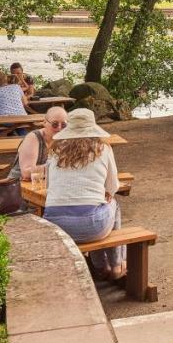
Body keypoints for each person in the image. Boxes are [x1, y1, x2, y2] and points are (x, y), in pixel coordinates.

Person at [43, 108, 125, 280]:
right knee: (112, 205)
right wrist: (104, 193)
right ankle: (116, 265)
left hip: (54, 226)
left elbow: (49, 186)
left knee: (96, 208)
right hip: (92, 225)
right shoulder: (103, 147)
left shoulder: (54, 150)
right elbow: (113, 186)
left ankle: (100, 266)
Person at [5, 106, 67, 182]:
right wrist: (55, 167)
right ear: (44, 123)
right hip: (18, 186)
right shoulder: (33, 138)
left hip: (41, 184)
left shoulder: (63, 139)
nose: (59, 128)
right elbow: (26, 173)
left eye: (64, 125)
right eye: (55, 124)